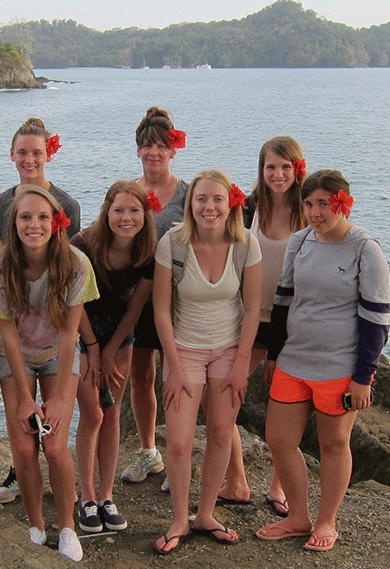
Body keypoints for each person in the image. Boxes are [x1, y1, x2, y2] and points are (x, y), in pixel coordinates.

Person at [256, 169, 390, 552]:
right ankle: (298, 516)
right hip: (294, 360)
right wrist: (274, 353)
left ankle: (326, 520)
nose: (315, 212)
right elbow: (283, 303)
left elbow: (378, 318)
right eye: (310, 204)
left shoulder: (365, 249)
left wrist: (364, 375)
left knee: (333, 443)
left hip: (340, 367)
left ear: (343, 202)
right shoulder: (300, 243)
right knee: (279, 440)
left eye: (324, 204)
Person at [0, 185, 98, 562]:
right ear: (13, 223)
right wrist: (25, 398)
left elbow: (69, 334)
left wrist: (61, 398)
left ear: (56, 222)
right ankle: (36, 525)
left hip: (56, 356)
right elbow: (8, 333)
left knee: (54, 446)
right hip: (17, 355)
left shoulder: (75, 264)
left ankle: (67, 526)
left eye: (43, 217)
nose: (34, 225)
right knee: (24, 446)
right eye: (25, 217)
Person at [152, 169, 262, 554]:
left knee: (219, 434)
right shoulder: (173, 244)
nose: (209, 207)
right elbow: (161, 311)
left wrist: (241, 363)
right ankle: (181, 518)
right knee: (180, 443)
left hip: (230, 350)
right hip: (184, 349)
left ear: (230, 202)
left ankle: (206, 514)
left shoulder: (246, 244)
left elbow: (252, 311)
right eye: (201, 199)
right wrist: (175, 366)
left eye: (217, 199)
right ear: (190, 203)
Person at [0, 118, 81, 504]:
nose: (29, 159)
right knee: (22, 425)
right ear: (12, 155)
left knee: (55, 424)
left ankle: (65, 490)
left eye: (36, 153)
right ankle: (20, 471)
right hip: (15, 324)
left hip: (56, 325)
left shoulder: (68, 205)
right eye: (22, 152)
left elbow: (69, 269)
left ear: (49, 155)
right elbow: (0, 265)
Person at [218, 136, 309, 516]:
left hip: (295, 324)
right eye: (271, 167)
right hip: (251, 318)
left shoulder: (309, 210)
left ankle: (279, 486)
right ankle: (237, 482)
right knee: (223, 399)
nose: (278, 174)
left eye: (285, 167)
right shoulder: (250, 207)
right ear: (262, 169)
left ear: (297, 169)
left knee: (289, 408)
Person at [70, 181, 157, 533]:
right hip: (81, 331)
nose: (126, 218)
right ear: (107, 211)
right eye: (119, 210)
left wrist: (111, 350)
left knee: (111, 411)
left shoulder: (147, 249)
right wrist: (93, 349)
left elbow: (137, 305)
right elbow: (73, 303)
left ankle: (107, 496)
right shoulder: (82, 245)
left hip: (120, 334)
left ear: (144, 215)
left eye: (134, 210)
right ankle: (86, 496)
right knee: (91, 413)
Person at [122, 107, 190, 485]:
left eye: (160, 146)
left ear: (172, 150)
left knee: (177, 375)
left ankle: (181, 453)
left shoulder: (186, 193)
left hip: (178, 298)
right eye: (146, 146)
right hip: (138, 295)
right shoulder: (130, 192)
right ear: (138, 151)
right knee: (141, 376)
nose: (153, 153)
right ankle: (149, 451)